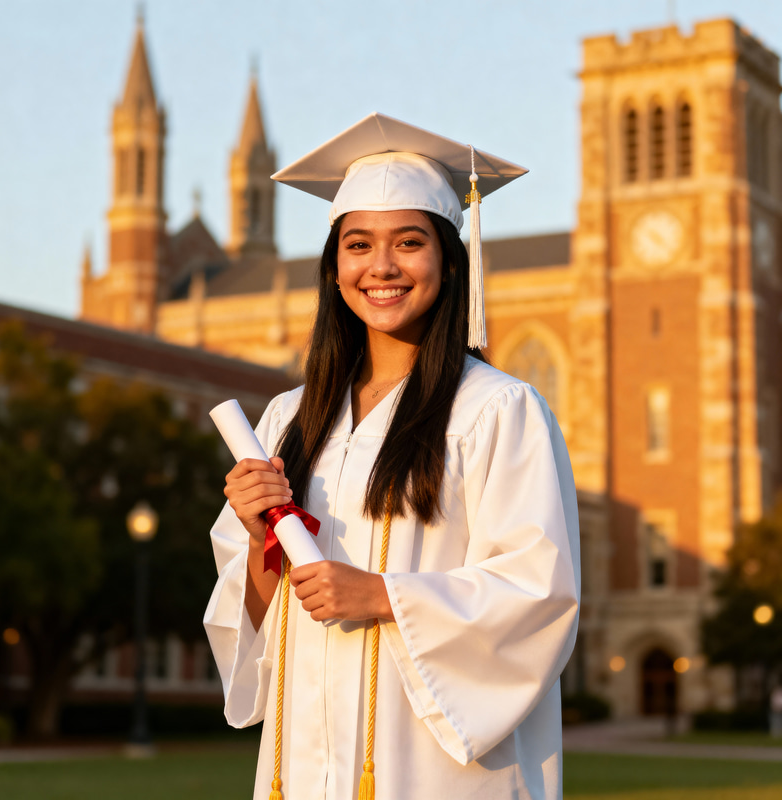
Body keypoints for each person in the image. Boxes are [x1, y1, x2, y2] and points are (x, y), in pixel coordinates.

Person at [204, 113, 580, 800]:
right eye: (357, 245)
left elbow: (540, 590)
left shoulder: (497, 409)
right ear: (333, 268)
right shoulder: (288, 418)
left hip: (437, 772)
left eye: (408, 242)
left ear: (447, 259)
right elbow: (248, 639)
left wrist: (381, 595)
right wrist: (260, 544)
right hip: (303, 766)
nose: (381, 267)